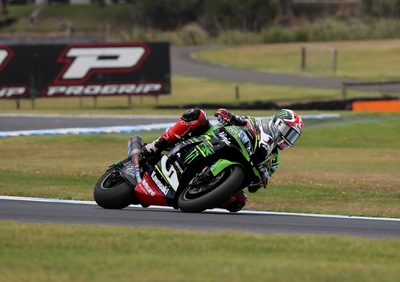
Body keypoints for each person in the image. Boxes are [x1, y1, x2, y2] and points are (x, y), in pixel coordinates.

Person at [130, 108, 304, 212]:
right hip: (215, 140)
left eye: (293, 137)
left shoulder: (274, 160)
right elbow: (238, 119)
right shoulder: (257, 123)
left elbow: (255, 186)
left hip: (237, 167)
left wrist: (261, 181)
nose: (288, 139)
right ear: (277, 123)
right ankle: (155, 146)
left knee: (238, 202)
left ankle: (200, 192)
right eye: (288, 132)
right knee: (196, 115)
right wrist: (227, 115)